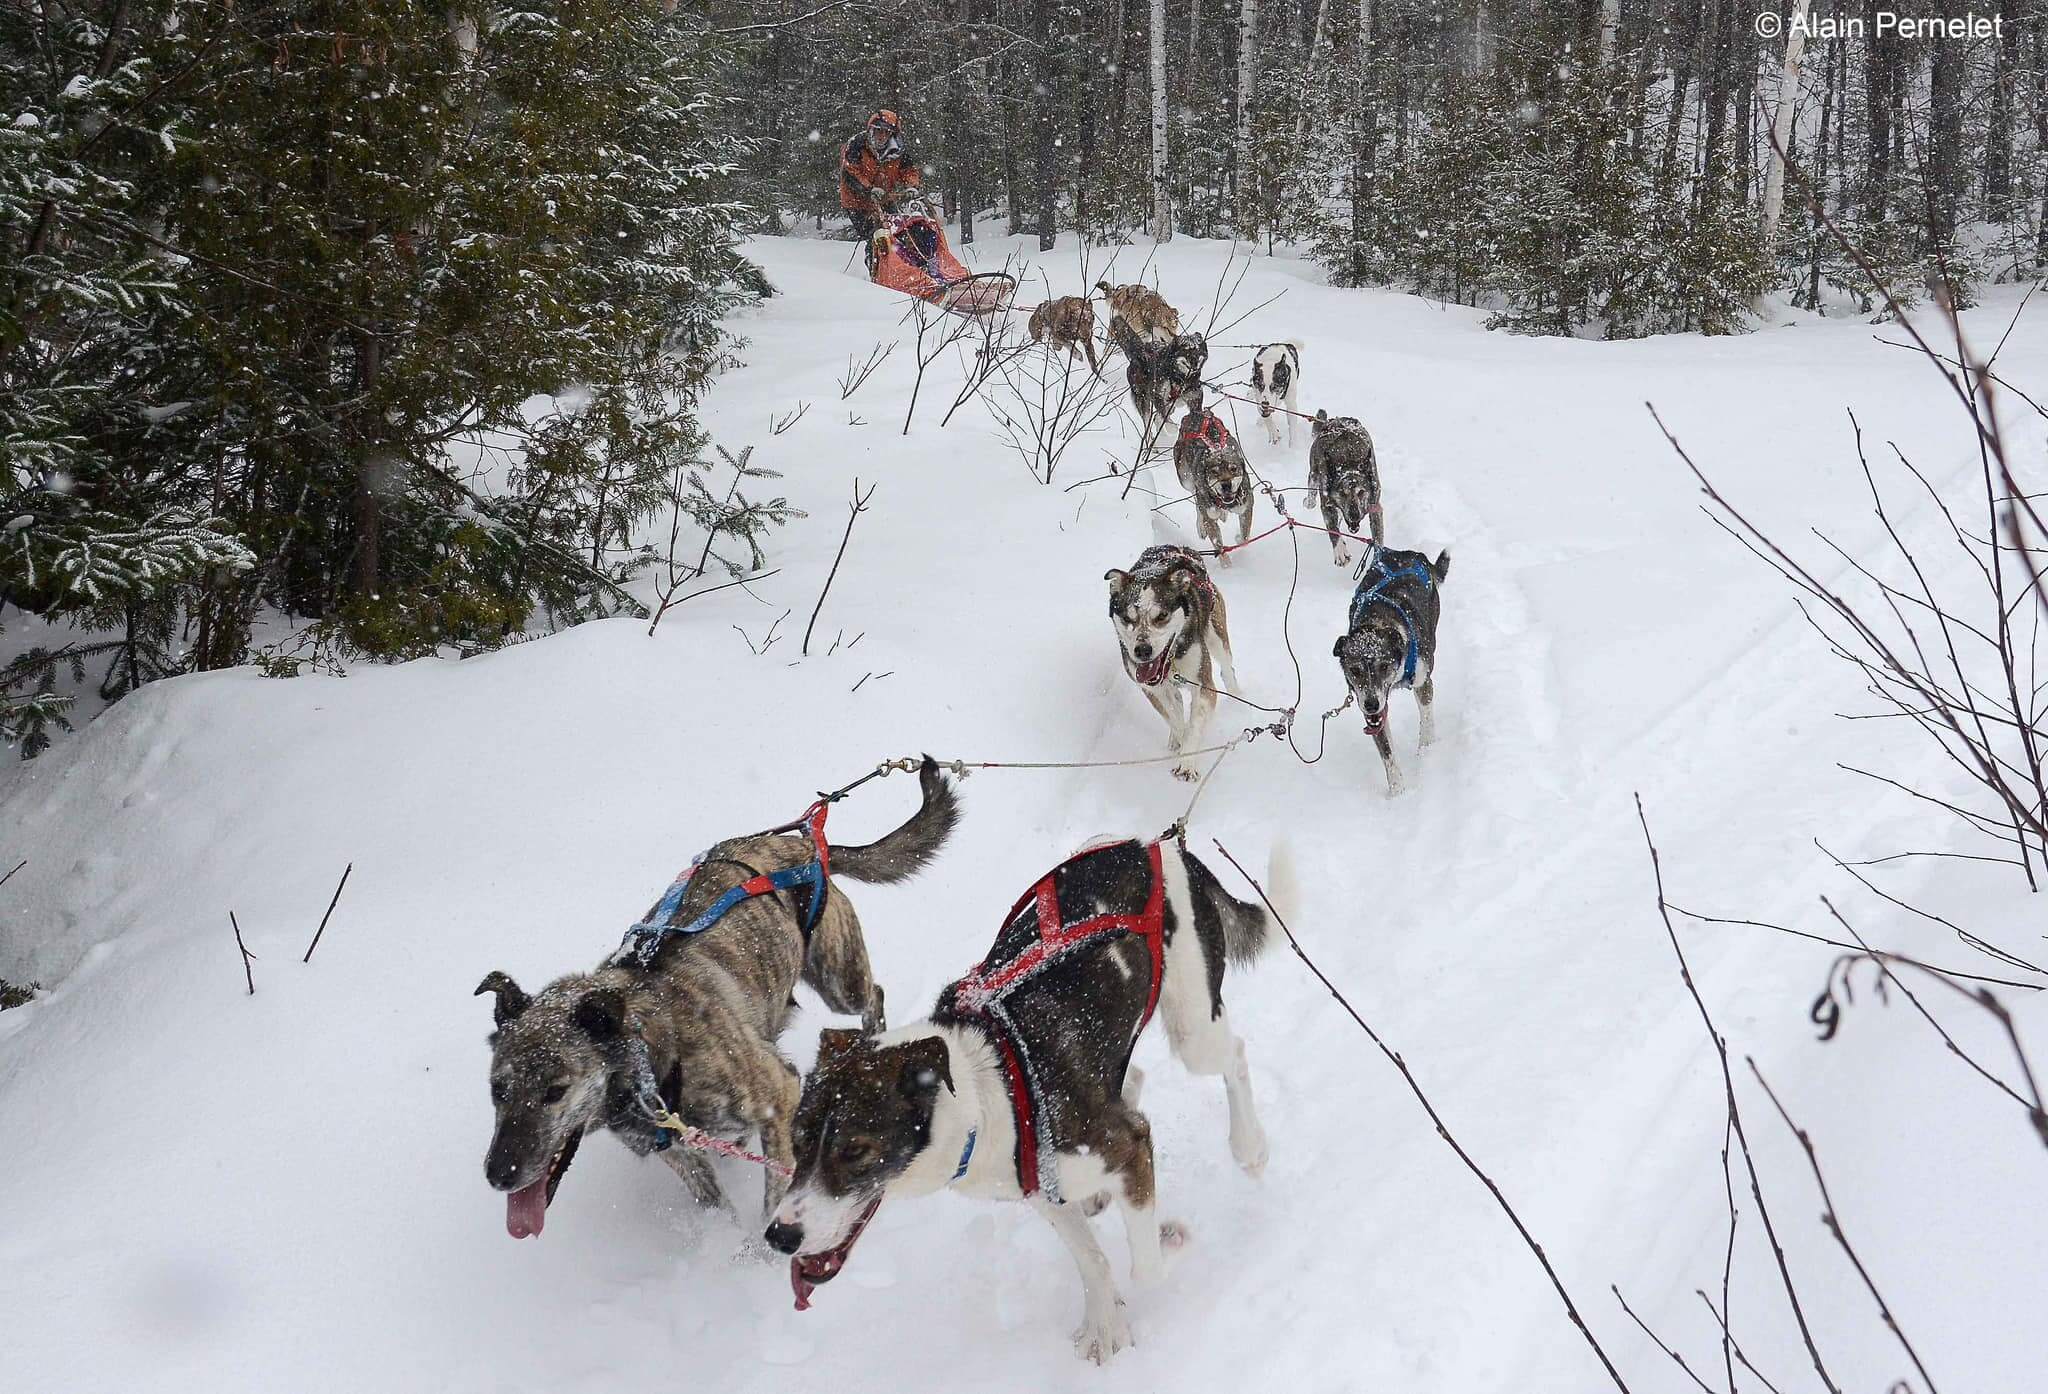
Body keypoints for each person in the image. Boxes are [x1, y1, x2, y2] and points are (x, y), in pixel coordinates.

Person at [840, 109, 922, 243]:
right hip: (856, 202)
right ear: (871, 129)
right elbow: (850, 173)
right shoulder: (856, 144)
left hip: (884, 198)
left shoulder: (898, 151)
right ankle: (875, 260)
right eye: (879, 130)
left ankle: (901, 262)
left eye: (886, 132)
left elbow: (908, 171)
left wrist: (911, 186)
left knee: (898, 231)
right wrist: (868, 189)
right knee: (876, 237)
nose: (882, 135)